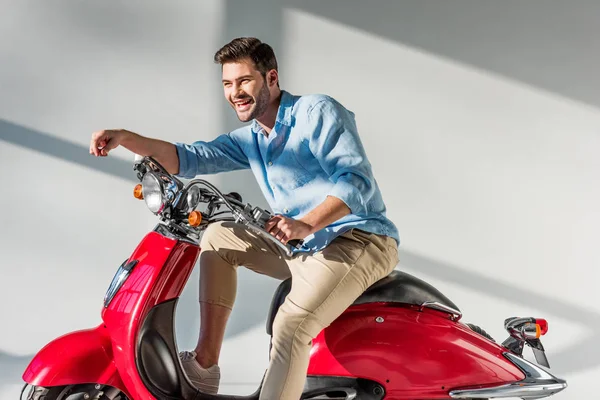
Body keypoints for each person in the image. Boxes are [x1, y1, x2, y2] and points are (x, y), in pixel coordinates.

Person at [89, 37, 399, 400]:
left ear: (270, 78)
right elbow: (188, 158)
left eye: (244, 81)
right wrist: (126, 138)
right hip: (300, 247)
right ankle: (204, 365)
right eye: (227, 84)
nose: (235, 92)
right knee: (219, 237)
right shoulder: (252, 137)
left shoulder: (317, 112)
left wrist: (307, 222)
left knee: (292, 325)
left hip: (358, 240)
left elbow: (356, 180)